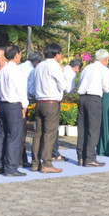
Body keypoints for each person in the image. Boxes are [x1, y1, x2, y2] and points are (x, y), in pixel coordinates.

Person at [0, 45, 28, 177]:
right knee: (14, 137)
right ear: (16, 55)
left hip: (2, 104)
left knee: (2, 135)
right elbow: (20, 89)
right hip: (13, 105)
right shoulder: (15, 70)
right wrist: (24, 105)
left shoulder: (3, 70)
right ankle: (11, 167)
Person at [76, 49, 109, 167]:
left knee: (82, 128)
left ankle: (81, 157)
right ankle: (90, 158)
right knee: (93, 129)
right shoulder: (103, 69)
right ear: (106, 59)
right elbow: (108, 88)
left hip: (82, 98)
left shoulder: (87, 68)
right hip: (94, 99)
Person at [32, 42, 65, 173]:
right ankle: (46, 163)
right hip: (51, 102)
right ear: (57, 55)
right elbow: (64, 85)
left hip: (39, 101)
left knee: (38, 133)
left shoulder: (39, 66)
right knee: (49, 133)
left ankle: (35, 162)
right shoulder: (55, 66)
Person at [19, 51, 43, 168]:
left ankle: (19, 158)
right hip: (23, 102)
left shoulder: (19, 67)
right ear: (36, 62)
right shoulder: (32, 71)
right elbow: (32, 89)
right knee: (22, 134)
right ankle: (21, 160)